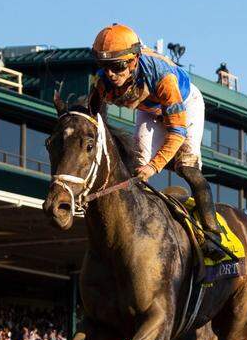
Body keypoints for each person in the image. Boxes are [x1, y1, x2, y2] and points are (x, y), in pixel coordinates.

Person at [86, 23, 229, 262]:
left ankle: (212, 232)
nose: (110, 74)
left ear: (134, 60)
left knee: (187, 168)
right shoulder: (102, 82)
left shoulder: (164, 78)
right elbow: (91, 116)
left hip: (186, 104)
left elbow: (177, 132)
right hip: (150, 109)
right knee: (137, 166)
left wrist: (154, 166)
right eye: (104, 66)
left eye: (117, 66)